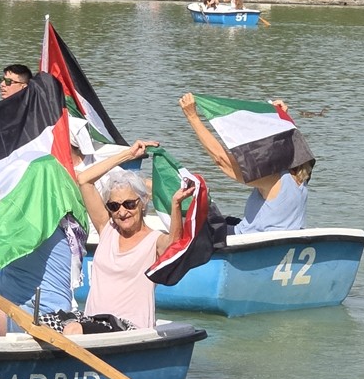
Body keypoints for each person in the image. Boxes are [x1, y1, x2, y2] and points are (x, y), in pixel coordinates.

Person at [46, 158, 187, 334]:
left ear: (143, 203)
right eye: (114, 206)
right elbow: (84, 180)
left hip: (128, 327)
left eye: (129, 204)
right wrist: (127, 154)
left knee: (73, 329)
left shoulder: (154, 240)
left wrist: (175, 206)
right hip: (92, 321)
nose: (122, 212)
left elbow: (175, 244)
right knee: (43, 322)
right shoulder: (107, 228)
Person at [178, 92, 312, 234]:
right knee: (216, 217)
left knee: (188, 223)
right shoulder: (301, 176)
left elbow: (222, 160)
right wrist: (279, 118)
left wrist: (193, 117)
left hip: (250, 240)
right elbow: (289, 141)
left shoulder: (273, 180)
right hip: (273, 236)